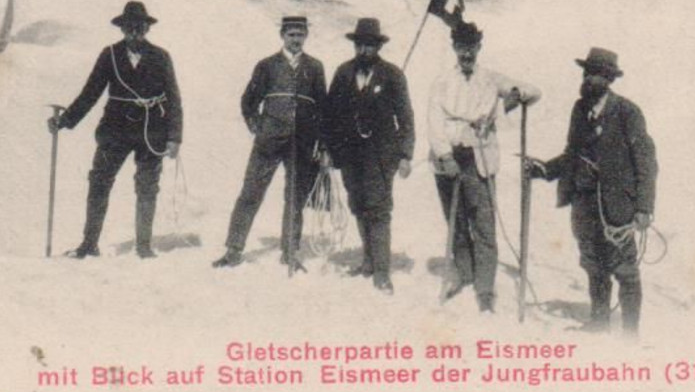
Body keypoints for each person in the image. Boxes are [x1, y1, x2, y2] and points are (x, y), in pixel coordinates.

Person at [529, 47, 656, 334]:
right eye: (586, 73)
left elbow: (646, 162)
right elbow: (572, 154)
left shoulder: (627, 112)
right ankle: (599, 322)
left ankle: (630, 334)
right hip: (583, 203)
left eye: (595, 75)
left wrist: (644, 208)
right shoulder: (579, 109)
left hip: (617, 207)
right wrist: (545, 170)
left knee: (625, 270)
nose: (587, 79)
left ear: (608, 80)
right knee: (593, 264)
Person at [50, 1, 182, 259]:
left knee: (147, 187)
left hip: (151, 131)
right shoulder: (108, 55)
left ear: (147, 28)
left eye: (140, 27)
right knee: (99, 183)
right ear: (122, 29)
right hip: (115, 130)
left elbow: (174, 98)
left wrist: (175, 137)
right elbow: (90, 93)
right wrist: (65, 120)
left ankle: (144, 246)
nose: (135, 32)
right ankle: (89, 244)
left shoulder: (161, 56)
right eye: (130, 27)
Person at [426, 20, 540, 313]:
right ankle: (463, 272)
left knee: (484, 225)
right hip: (449, 160)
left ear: (479, 48)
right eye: (462, 48)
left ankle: (485, 289)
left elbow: (532, 91)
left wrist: (512, 98)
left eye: (472, 48)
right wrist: (445, 157)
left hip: (480, 159)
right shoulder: (441, 82)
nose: (467, 54)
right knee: (457, 223)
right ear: (454, 48)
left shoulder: (491, 79)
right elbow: (434, 124)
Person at [213, 16, 328, 270]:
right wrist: (258, 127)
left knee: (295, 198)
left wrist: (321, 143)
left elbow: (323, 109)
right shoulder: (267, 65)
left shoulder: (315, 67)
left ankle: (290, 253)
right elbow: (248, 101)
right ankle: (233, 250)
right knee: (251, 193)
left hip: (302, 144)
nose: (296, 40)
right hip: (269, 141)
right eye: (291, 35)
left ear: (306, 36)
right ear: (282, 36)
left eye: (300, 34)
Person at [322, 18, 415, 293]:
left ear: (378, 46)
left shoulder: (393, 75)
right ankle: (368, 261)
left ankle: (382, 272)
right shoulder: (343, 73)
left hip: (381, 157)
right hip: (350, 155)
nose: (364, 50)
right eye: (360, 45)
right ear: (355, 45)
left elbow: (406, 117)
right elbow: (330, 115)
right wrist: (328, 149)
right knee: (358, 206)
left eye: (370, 45)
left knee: (379, 210)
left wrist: (406, 154)